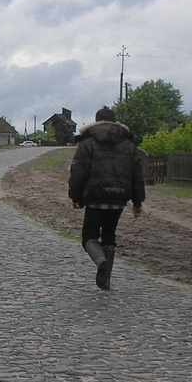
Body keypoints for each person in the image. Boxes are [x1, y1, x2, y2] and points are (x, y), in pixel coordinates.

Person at [68, 107, 146, 290]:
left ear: (96, 121)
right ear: (115, 121)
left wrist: (75, 196)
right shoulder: (128, 144)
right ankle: (105, 279)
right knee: (109, 236)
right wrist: (137, 202)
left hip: (94, 196)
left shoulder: (88, 142)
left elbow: (78, 171)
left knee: (89, 236)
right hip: (119, 198)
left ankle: (100, 260)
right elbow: (137, 175)